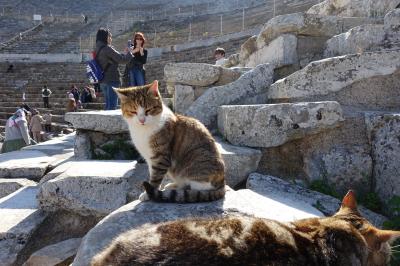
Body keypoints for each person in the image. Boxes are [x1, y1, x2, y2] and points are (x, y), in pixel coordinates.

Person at [95, 28, 134, 110]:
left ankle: (105, 122)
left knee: (108, 105)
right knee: (112, 107)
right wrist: (130, 52)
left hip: (103, 81)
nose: (111, 39)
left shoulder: (97, 49)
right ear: (105, 37)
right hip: (112, 80)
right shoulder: (107, 48)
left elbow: (114, 58)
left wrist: (125, 53)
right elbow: (123, 60)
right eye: (110, 36)